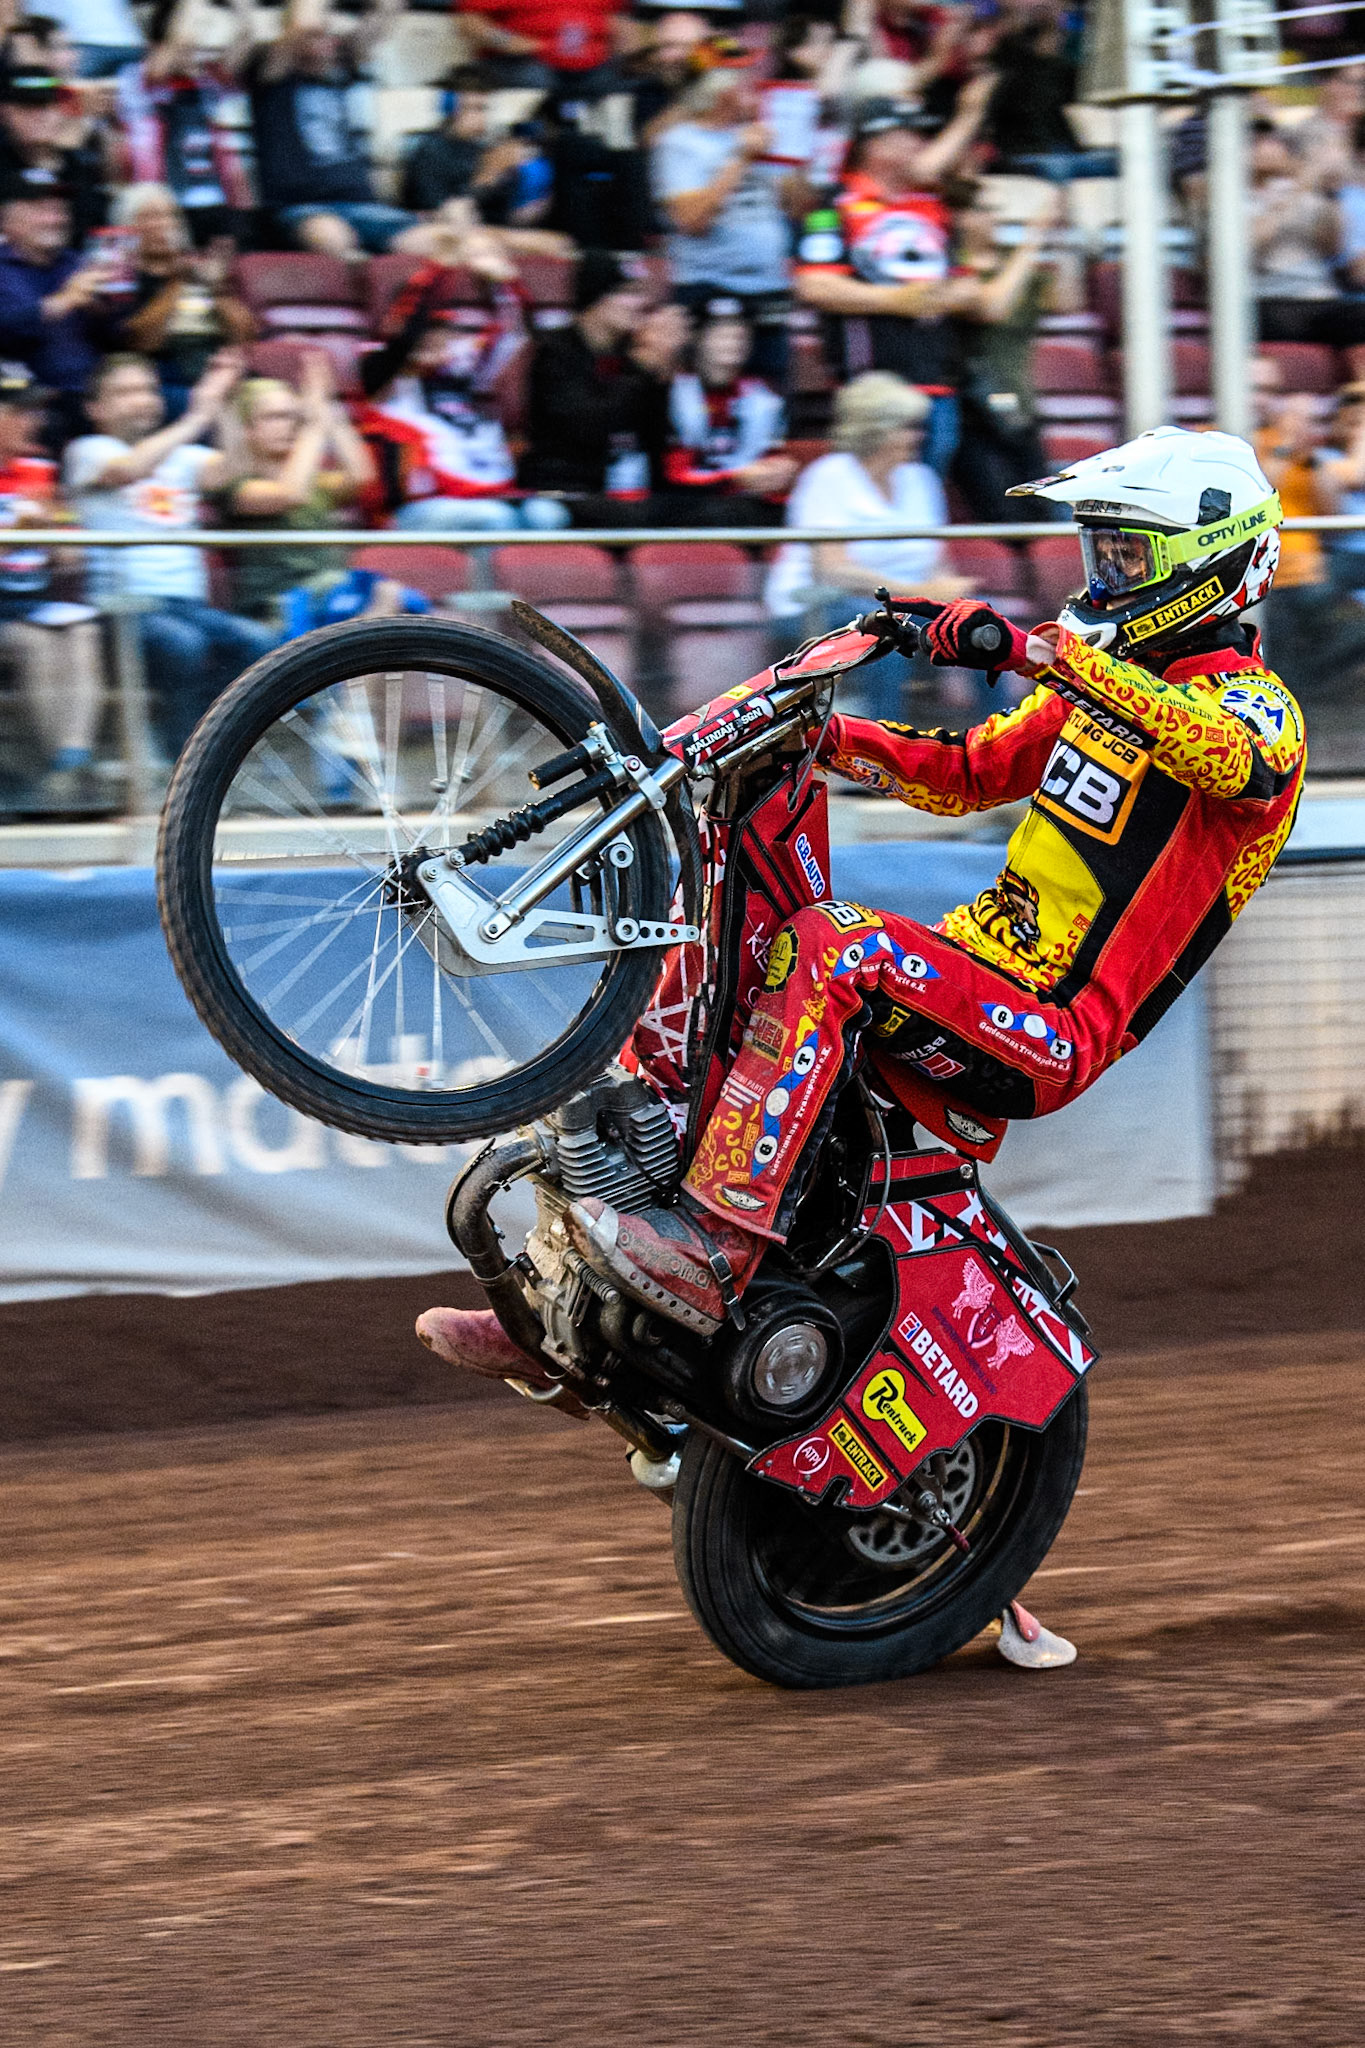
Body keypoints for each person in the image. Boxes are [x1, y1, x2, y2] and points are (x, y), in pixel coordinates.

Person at [549, 426, 1305, 1337]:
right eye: (1098, 554)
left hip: (1053, 1029)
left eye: (1126, 558)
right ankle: (581, 1258)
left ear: (1208, 568)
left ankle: (716, 1246)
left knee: (838, 944)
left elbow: (1238, 763)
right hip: (968, 971)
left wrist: (1039, 656)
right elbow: (967, 772)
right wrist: (821, 738)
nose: (1103, 579)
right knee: (737, 935)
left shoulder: (1256, 708)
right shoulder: (1100, 688)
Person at [63, 349, 275, 757]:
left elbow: (235, 469)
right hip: (122, 606)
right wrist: (195, 418)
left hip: (186, 605)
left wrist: (221, 405)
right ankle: (183, 757)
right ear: (95, 409)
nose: (142, 400)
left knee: (258, 642)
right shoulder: (89, 450)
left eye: (148, 390)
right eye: (125, 392)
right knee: (184, 644)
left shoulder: (182, 456)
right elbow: (128, 470)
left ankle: (216, 745)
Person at [794, 81, 996, 475]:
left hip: (937, 382)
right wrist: (897, 301)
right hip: (872, 388)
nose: (922, 144)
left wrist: (947, 296)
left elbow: (969, 286)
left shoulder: (935, 206)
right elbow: (814, 284)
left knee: (924, 487)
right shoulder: (834, 204)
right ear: (876, 144)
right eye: (910, 135)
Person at [764, 371, 969, 717]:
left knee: (979, 621)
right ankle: (885, 737)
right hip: (817, 607)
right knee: (887, 636)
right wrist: (917, 592)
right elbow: (832, 571)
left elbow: (937, 563)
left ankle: (1003, 731)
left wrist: (952, 594)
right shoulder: (829, 477)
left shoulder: (921, 480)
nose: (919, 436)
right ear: (877, 431)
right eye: (907, 428)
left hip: (901, 605)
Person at [356, 235, 569, 535]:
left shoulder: (462, 372)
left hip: (486, 495)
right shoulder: (379, 375)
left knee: (547, 514)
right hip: (413, 509)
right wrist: (443, 266)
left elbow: (516, 335)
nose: (433, 337)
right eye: (426, 329)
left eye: (442, 328)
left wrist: (502, 283)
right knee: (493, 519)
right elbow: (403, 337)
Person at [650, 55, 807, 381]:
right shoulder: (679, 142)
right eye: (744, 82)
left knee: (770, 391)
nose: (755, 88)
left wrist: (796, 157)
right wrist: (741, 158)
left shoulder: (761, 138)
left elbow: (798, 210)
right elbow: (692, 221)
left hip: (769, 287)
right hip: (710, 289)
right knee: (705, 394)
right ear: (719, 92)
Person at [245, 0, 429, 257]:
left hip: (364, 206)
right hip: (304, 209)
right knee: (333, 237)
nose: (329, 43)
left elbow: (390, 7)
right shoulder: (271, 71)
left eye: (330, 35)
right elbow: (306, 22)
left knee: (437, 242)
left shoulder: (339, 69)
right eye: (318, 37)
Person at [0, 359, 105, 810]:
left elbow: (72, 555)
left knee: (83, 633)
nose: (33, 421)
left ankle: (70, 765)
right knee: (38, 642)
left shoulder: (40, 471)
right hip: (6, 613)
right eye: (18, 411)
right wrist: (13, 535)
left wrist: (53, 533)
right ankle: (65, 771)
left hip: (37, 601)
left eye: (34, 411)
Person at [217, 351, 382, 626]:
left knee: (389, 596)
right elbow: (290, 494)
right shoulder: (236, 483)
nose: (290, 425)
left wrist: (329, 410)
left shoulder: (315, 481)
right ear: (246, 428)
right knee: (375, 602)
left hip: (332, 596)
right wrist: (313, 425)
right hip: (276, 608)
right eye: (275, 417)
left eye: (294, 416)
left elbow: (361, 478)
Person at [518, 246, 674, 522]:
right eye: (627, 292)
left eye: (639, 293)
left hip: (625, 492)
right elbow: (586, 427)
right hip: (564, 488)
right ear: (595, 299)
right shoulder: (555, 352)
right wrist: (641, 372)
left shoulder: (632, 356)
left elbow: (656, 440)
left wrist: (661, 378)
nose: (639, 303)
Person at [99, 182, 254, 418]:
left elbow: (244, 336)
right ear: (126, 226)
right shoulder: (122, 278)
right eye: (149, 217)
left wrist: (216, 290)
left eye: (170, 216)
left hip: (215, 369)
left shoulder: (200, 272)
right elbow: (140, 341)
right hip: (162, 378)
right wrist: (180, 280)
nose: (163, 224)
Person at [115, 0, 255, 248]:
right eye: (196, 34)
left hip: (221, 206)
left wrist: (241, 10)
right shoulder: (138, 78)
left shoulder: (209, 80)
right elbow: (181, 41)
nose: (198, 47)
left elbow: (245, 39)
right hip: (167, 209)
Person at [663, 296, 793, 521]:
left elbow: (771, 461)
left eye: (739, 334)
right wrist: (735, 479)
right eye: (720, 334)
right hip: (691, 509)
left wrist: (779, 473)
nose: (732, 342)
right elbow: (672, 475)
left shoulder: (765, 396)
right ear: (698, 339)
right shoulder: (673, 393)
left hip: (749, 507)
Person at [0, 164, 105, 432]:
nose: (54, 219)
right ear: (6, 220)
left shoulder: (79, 263)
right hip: (30, 400)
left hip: (96, 396)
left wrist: (109, 309)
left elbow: (118, 336)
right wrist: (62, 301)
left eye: (59, 210)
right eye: (40, 210)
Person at [399, 64, 551, 225]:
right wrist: (489, 173)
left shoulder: (481, 148)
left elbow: (503, 214)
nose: (482, 117)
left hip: (492, 230)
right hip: (441, 232)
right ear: (449, 108)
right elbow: (441, 215)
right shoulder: (430, 152)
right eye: (474, 108)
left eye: (485, 109)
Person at [0, 62, 106, 242]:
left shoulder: (80, 167)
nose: (39, 116)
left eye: (47, 106)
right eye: (27, 107)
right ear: (5, 112)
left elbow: (91, 230)